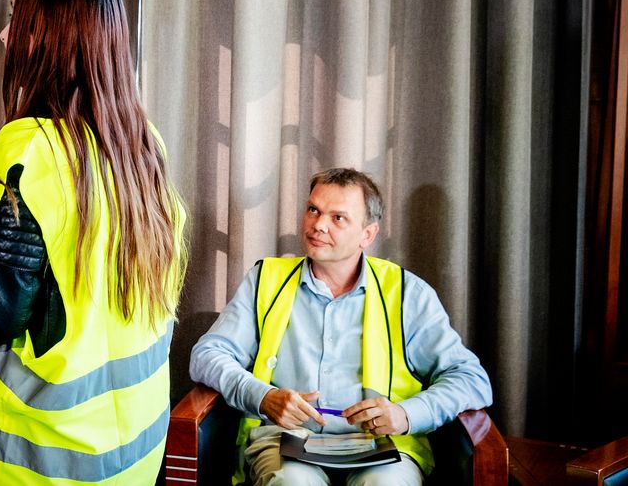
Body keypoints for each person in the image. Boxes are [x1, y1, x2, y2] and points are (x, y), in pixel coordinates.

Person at [0, 0, 189, 485]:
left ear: (53, 36)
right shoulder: (141, 145)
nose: (2, 33)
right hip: (133, 451)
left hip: (36, 457)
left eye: (18, 17)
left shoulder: (28, 149)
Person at [190, 168, 493, 486]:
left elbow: (471, 379)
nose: (318, 225)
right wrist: (263, 396)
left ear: (368, 235)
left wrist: (406, 414)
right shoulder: (266, 280)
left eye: (338, 218)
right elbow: (207, 355)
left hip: (382, 448)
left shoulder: (406, 294)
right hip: (286, 442)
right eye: (313, 210)